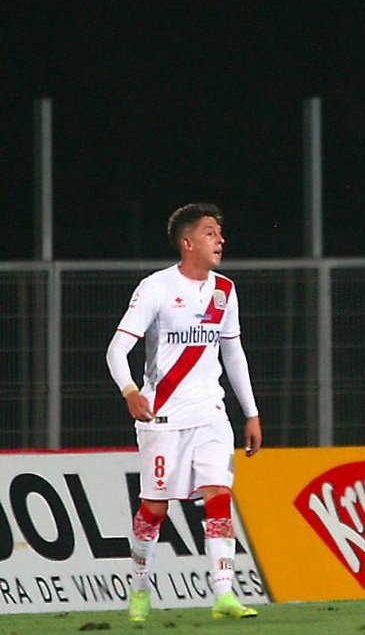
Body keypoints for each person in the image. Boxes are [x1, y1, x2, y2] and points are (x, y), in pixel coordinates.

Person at [106, 202, 263, 622]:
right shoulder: (155, 288)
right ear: (188, 242)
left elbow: (233, 354)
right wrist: (130, 391)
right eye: (211, 233)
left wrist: (251, 412)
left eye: (220, 232)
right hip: (162, 419)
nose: (221, 240)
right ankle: (139, 589)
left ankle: (224, 594)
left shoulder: (224, 290)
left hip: (210, 414)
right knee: (154, 510)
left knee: (218, 493)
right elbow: (117, 348)